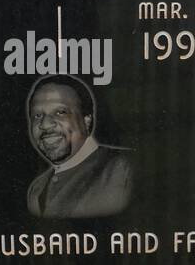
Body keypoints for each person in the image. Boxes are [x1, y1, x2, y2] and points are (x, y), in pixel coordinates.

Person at [26, 76, 132, 219]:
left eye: (60, 112)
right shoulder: (37, 188)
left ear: (86, 121)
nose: (45, 124)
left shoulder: (124, 170)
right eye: (37, 115)